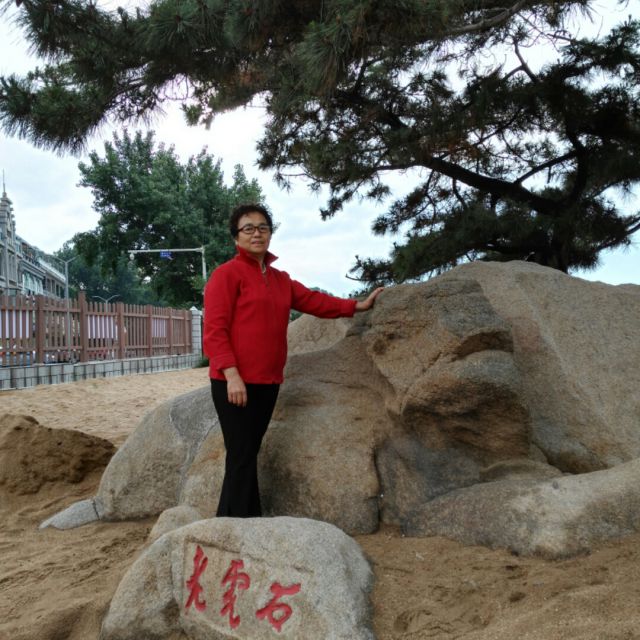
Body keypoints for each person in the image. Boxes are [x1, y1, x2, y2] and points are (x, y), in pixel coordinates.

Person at [203, 203, 383, 518]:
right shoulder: (226, 275)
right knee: (241, 455)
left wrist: (356, 306)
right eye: (248, 228)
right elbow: (215, 330)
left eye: (263, 227)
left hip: (268, 381)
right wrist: (231, 375)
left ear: (270, 234)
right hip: (234, 382)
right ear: (236, 236)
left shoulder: (280, 279)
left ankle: (237, 519)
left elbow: (315, 301)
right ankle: (239, 523)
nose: (257, 233)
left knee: (247, 454)